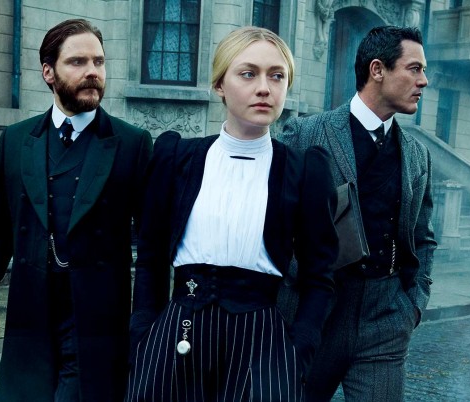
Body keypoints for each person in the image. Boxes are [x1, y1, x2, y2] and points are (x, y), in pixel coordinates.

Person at [125, 26, 339, 402]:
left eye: (277, 76)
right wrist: (143, 335)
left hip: (261, 344)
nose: (264, 88)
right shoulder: (177, 157)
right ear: (219, 85)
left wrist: (298, 351)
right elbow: (151, 258)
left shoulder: (305, 170)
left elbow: (320, 275)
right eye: (248, 73)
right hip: (178, 334)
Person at [0, 19, 153, 401]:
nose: (93, 72)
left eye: (99, 61)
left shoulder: (132, 144)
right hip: (30, 318)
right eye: (78, 62)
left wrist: (145, 320)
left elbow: (151, 248)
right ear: (48, 72)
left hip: (97, 324)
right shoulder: (16, 141)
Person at [279, 25, 438, 401]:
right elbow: (273, 225)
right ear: (377, 70)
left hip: (385, 319)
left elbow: (423, 237)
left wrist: (412, 306)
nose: (424, 81)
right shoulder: (305, 134)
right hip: (314, 314)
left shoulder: (417, 155)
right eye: (414, 69)